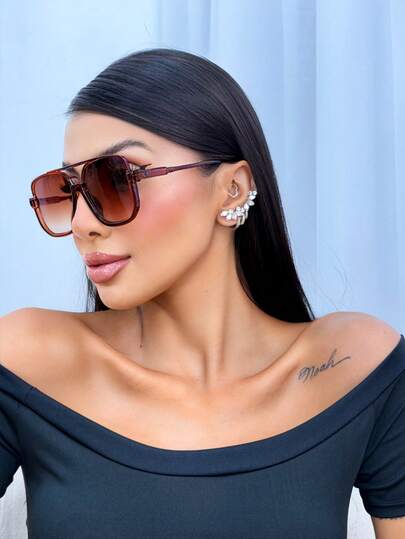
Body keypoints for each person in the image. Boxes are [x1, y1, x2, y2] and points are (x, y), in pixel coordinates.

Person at [1, 47, 404, 538]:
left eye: (116, 179)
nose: (83, 223)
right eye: (67, 189)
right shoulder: (29, 361)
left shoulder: (354, 366)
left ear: (232, 188)